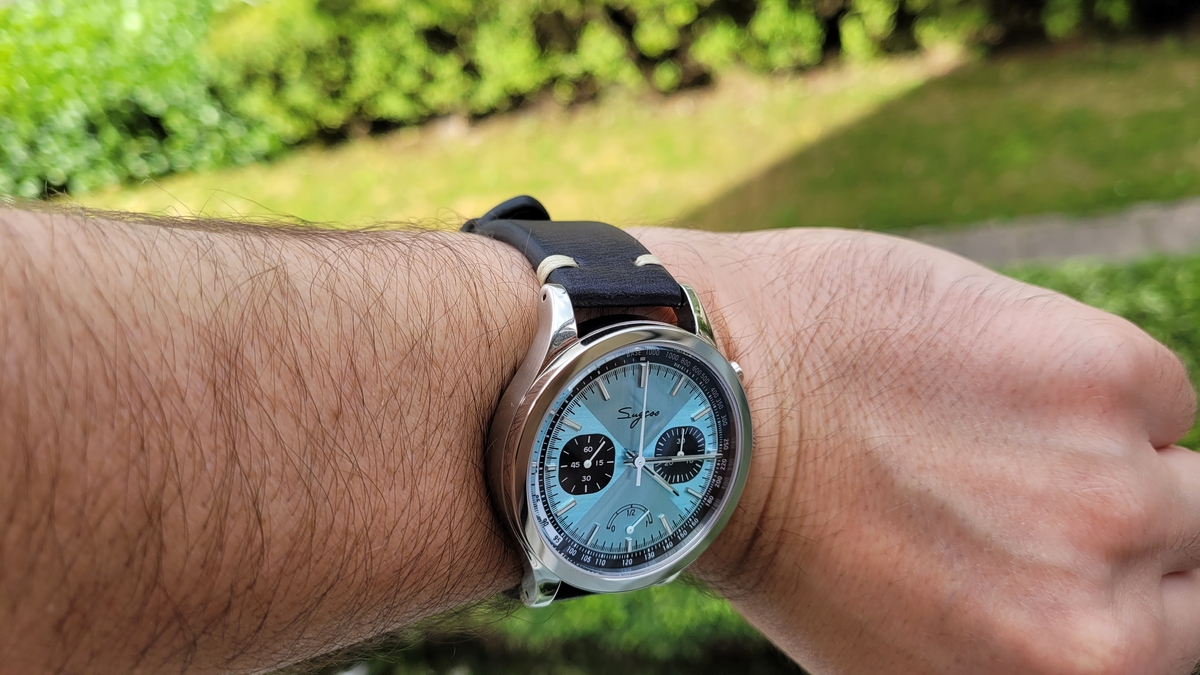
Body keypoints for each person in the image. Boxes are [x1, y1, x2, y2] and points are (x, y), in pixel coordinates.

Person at [0, 203, 1196, 675]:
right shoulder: (605, 425)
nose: (633, 459)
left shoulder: (681, 406)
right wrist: (792, 442)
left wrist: (780, 404)